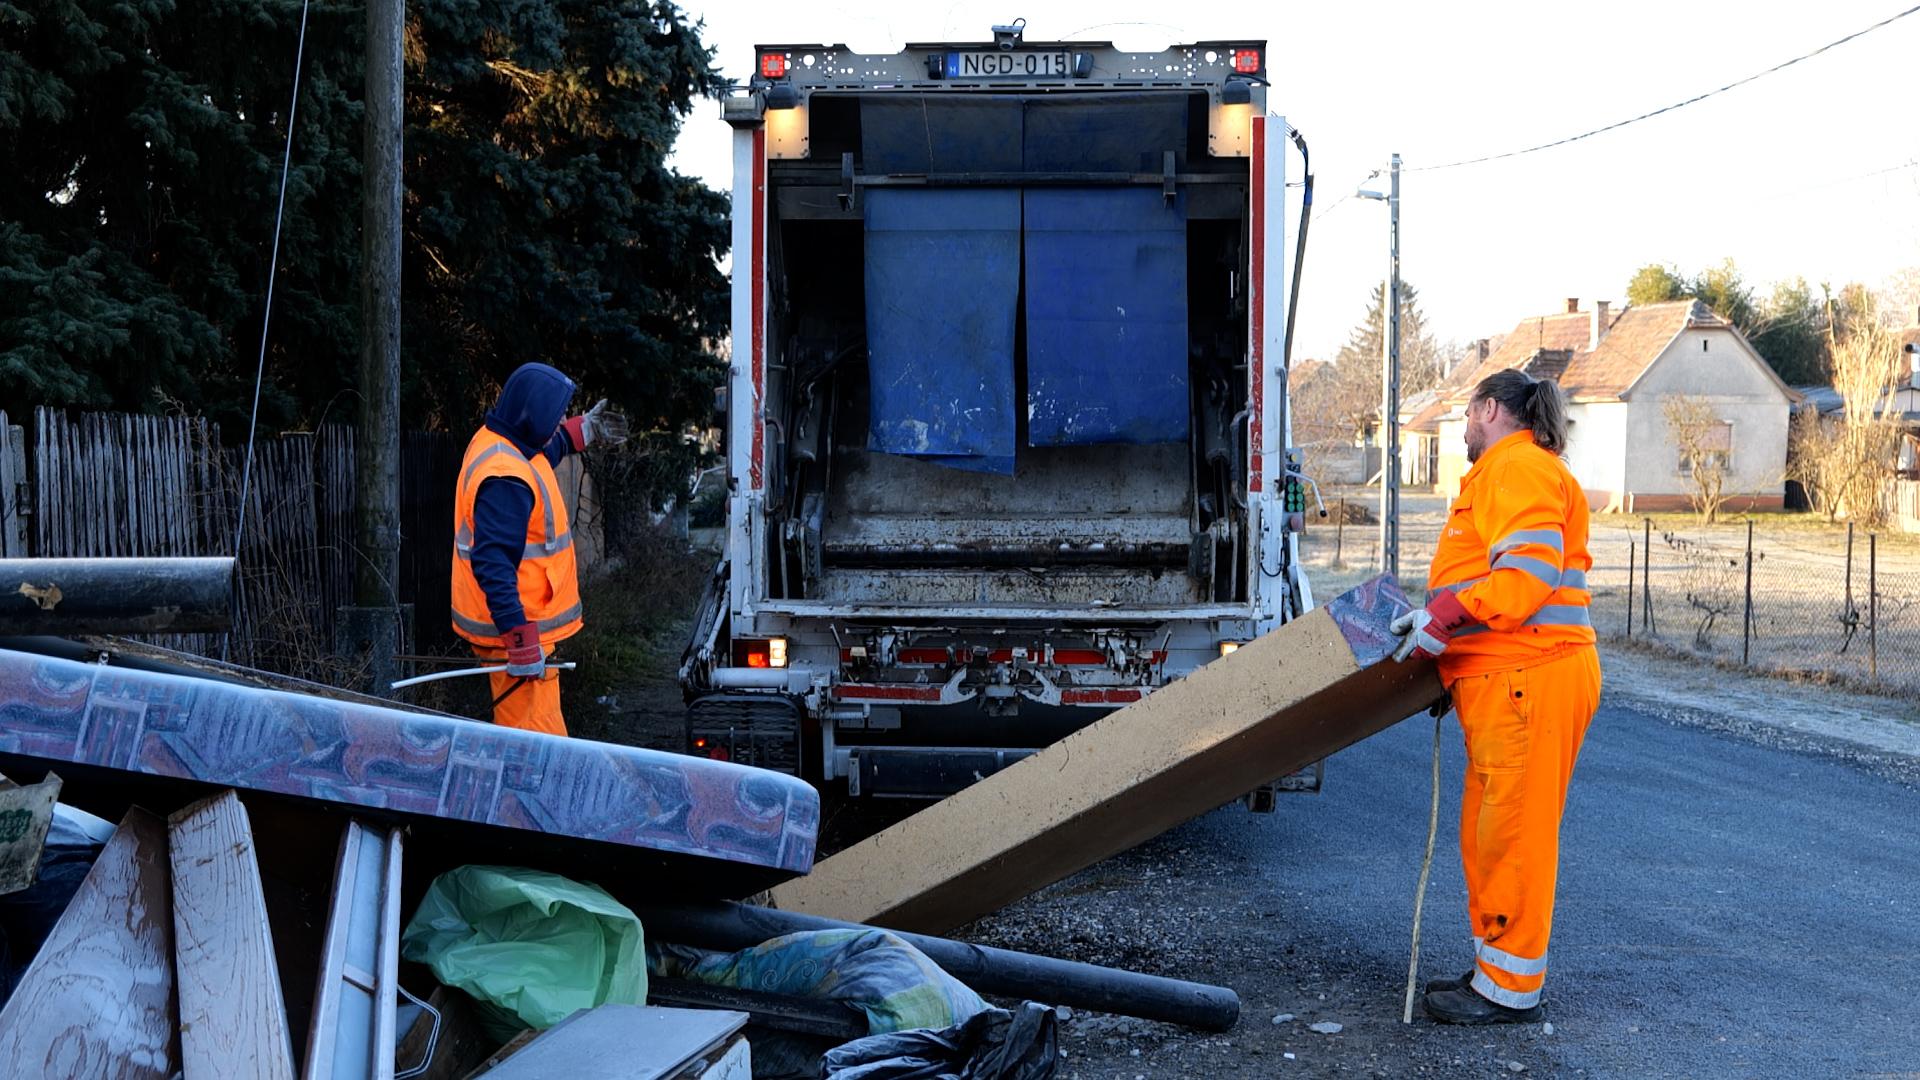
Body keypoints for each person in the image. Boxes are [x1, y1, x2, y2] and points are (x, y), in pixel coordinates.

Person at [1390, 369, 1600, 1025]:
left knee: (1511, 837)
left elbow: (1527, 576)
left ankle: (1508, 990)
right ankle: (1497, 972)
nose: (1460, 430)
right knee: (1491, 836)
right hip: (1515, 679)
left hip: (1529, 678)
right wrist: (1449, 641)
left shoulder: (1517, 468)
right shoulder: (1513, 471)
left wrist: (1450, 613)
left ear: (1488, 410)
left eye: (1464, 416)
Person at [450, 362, 628, 735]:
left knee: (528, 738)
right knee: (536, 745)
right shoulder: (504, 477)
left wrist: (585, 430)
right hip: (515, 637)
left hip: (519, 632)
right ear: (533, 413)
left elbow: (548, 449)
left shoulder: (505, 442)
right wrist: (520, 641)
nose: (561, 417)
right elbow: (492, 562)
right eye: (557, 411)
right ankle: (528, 796)